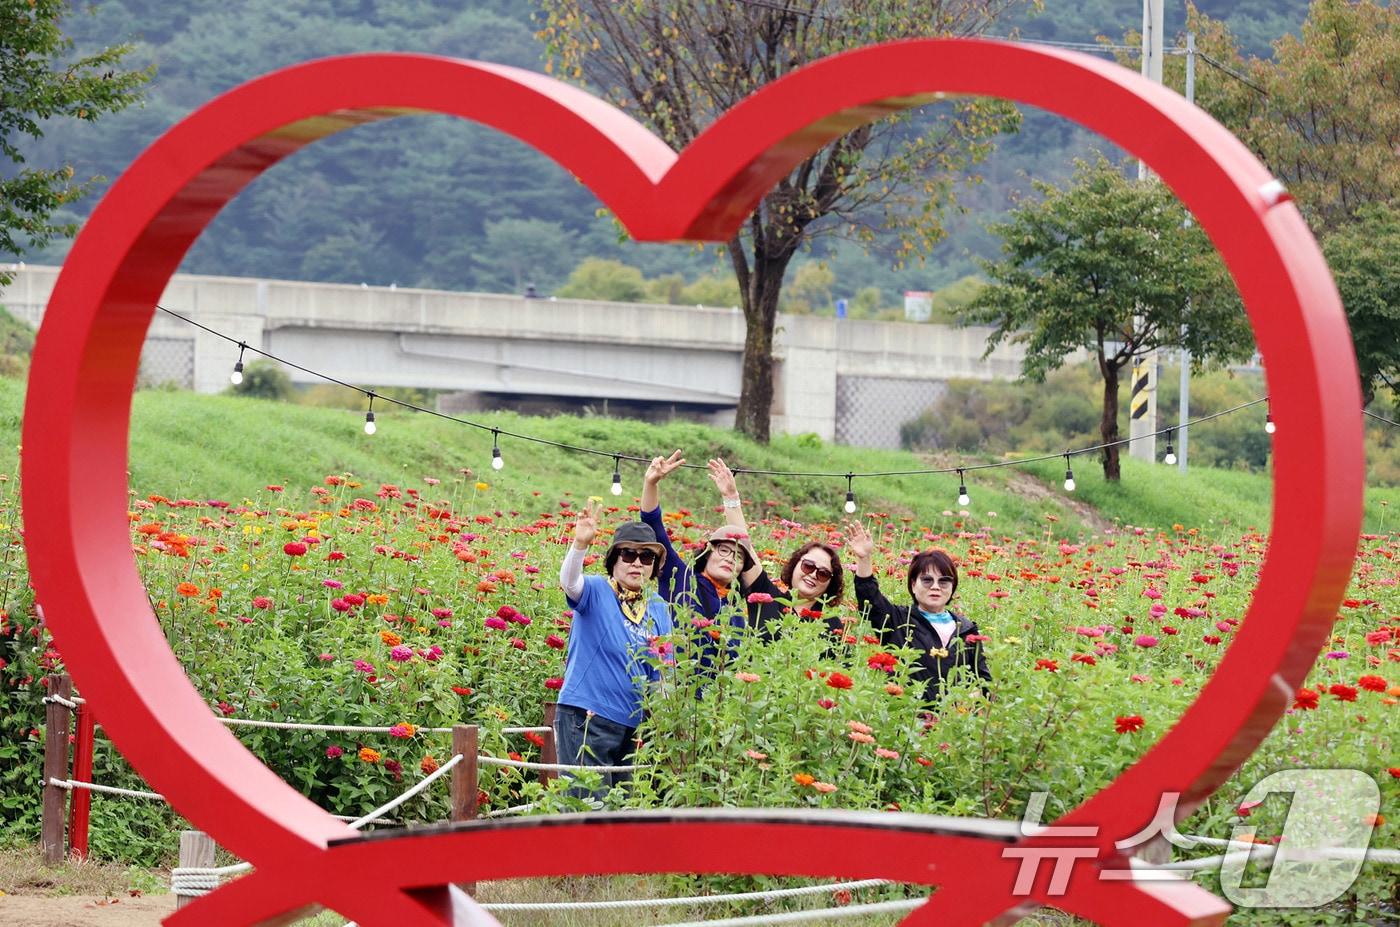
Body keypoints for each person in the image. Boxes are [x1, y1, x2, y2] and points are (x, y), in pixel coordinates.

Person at [555, 498, 674, 798]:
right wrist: (580, 544)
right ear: (614, 559)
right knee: (586, 807)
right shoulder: (596, 589)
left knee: (623, 811)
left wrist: (662, 724)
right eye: (628, 554)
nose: (637, 563)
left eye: (647, 557)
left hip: (633, 728)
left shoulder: (658, 607)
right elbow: (570, 582)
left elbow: (663, 672)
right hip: (586, 716)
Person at [845, 520, 991, 702]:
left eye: (944, 581)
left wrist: (970, 699)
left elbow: (984, 681)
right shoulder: (898, 619)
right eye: (927, 580)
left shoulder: (966, 629)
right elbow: (869, 597)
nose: (935, 587)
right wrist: (864, 559)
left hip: (954, 717)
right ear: (913, 585)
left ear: (952, 587)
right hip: (908, 714)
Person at [638, 450, 757, 671]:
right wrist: (651, 484)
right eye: (724, 550)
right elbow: (653, 527)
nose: (730, 559)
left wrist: (732, 497)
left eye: (739, 557)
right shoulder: (682, 578)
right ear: (708, 552)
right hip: (675, 685)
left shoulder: (735, 611)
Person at [709, 458, 845, 636]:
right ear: (795, 565)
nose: (813, 574)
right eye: (808, 566)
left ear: (830, 584)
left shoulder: (831, 624)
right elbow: (744, 545)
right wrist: (731, 497)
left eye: (823, 573)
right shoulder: (766, 597)